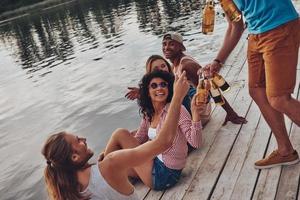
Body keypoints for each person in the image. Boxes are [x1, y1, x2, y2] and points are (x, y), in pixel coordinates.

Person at [42, 71, 191, 200]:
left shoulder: (69, 192)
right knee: (120, 133)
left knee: (121, 137)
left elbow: (140, 141)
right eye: (78, 140)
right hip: (162, 177)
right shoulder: (112, 164)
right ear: (74, 157)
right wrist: (177, 97)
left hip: (153, 168)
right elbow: (164, 142)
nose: (84, 139)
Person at [203, 0, 300, 169]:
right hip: (255, 35)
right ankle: (285, 151)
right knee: (257, 90)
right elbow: (236, 25)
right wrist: (218, 61)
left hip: (280, 27)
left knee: (278, 98)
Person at [105, 70, 206, 191]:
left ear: (169, 89)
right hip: (152, 162)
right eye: (154, 85)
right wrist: (117, 149)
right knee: (117, 164)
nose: (159, 88)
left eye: (163, 84)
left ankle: (103, 179)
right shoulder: (149, 114)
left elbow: (196, 143)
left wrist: (196, 115)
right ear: (147, 92)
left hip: (165, 173)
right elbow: (138, 140)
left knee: (120, 134)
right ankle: (106, 178)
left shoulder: (177, 109)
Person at [162, 32, 247, 126]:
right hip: (192, 106)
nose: (166, 48)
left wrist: (231, 113)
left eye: (172, 44)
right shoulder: (173, 65)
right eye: (164, 44)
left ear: (181, 48)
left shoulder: (186, 66)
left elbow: (211, 88)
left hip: (199, 114)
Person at [125, 54, 211, 124]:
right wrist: (143, 94)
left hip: (190, 121)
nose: (162, 70)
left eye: (163, 66)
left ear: (168, 67)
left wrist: (203, 92)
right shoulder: (151, 90)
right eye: (156, 69)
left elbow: (195, 95)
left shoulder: (178, 82)